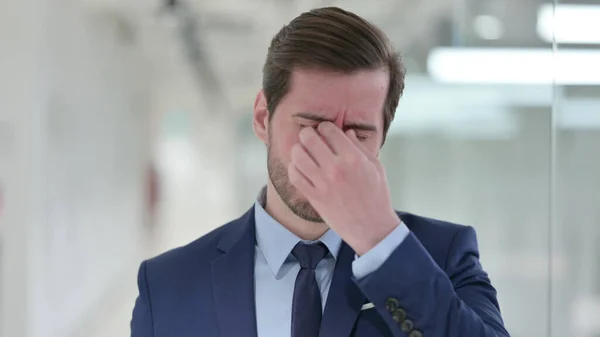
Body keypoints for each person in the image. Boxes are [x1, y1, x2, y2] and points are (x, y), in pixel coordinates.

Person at [131, 6, 509, 337]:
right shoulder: (168, 286)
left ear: (382, 139)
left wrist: (380, 240)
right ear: (263, 118)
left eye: (358, 134)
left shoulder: (443, 256)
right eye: (312, 126)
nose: (334, 153)